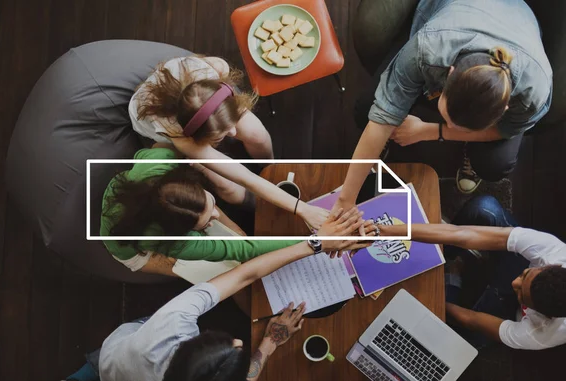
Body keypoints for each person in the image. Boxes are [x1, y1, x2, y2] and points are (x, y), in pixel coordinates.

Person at [65, 207, 371, 381]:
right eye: (239, 345)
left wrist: (316, 243)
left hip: (110, 361)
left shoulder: (170, 323)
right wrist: (268, 343)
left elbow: (244, 273)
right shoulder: (174, 322)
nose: (239, 341)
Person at [343, 0, 552, 207]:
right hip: (447, 21)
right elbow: (382, 116)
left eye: (463, 129)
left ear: (503, 109)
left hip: (516, 25)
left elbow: (506, 130)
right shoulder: (429, 48)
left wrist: (431, 131)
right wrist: (345, 201)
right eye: (449, 118)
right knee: (366, 109)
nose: (451, 127)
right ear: (449, 74)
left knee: (495, 165)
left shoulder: (532, 93)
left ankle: (471, 146)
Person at [129, 55, 328, 228]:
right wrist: (302, 209)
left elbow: (219, 74)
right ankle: (255, 203)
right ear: (198, 137)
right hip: (159, 132)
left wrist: (269, 171)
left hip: (202, 99)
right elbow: (243, 177)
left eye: (230, 126)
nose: (233, 132)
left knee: (256, 134)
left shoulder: (213, 69)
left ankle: (270, 166)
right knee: (226, 185)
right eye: (221, 135)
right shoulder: (179, 135)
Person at [366, 195, 566, 350]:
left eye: (522, 293)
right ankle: (448, 255)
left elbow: (472, 320)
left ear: (544, 316)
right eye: (524, 275)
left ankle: (453, 278)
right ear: (551, 266)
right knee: (484, 207)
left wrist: (425, 300)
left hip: (509, 313)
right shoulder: (554, 252)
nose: (514, 282)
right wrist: (383, 231)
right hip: (523, 263)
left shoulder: (541, 333)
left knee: (457, 339)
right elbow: (462, 234)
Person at [101, 146, 301, 275]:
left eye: (210, 203)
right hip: (127, 245)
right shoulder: (178, 245)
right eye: (204, 222)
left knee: (238, 235)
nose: (216, 215)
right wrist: (314, 241)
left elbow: (142, 153)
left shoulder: (159, 161)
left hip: (149, 207)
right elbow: (245, 250)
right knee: (209, 271)